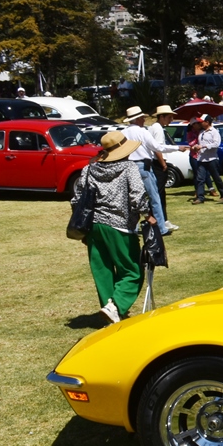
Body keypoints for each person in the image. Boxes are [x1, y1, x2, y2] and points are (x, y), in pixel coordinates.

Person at [74, 131, 153, 324]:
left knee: (103, 270)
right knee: (132, 270)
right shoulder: (128, 168)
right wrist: (148, 215)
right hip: (121, 226)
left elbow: (77, 198)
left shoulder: (89, 169)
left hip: (93, 226)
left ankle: (112, 314)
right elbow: (137, 196)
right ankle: (116, 306)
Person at [122, 106, 177, 234]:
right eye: (143, 118)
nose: (144, 120)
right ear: (139, 119)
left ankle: (133, 228)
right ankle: (161, 228)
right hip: (143, 166)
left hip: (129, 166)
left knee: (132, 199)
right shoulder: (143, 132)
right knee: (154, 197)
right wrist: (177, 148)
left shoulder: (124, 133)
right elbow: (157, 147)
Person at [148, 104, 188, 217]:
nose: (172, 119)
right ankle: (162, 218)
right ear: (162, 117)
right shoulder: (158, 129)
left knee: (158, 192)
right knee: (160, 193)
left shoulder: (155, 127)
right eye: (169, 117)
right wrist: (163, 164)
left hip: (155, 162)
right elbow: (157, 148)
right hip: (157, 163)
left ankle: (160, 217)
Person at [192, 114, 223, 204]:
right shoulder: (201, 132)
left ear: (207, 122)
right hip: (201, 159)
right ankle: (200, 197)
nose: (200, 123)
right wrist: (196, 147)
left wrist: (204, 146)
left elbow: (216, 144)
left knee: (216, 177)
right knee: (200, 178)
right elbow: (200, 144)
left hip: (212, 159)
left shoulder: (214, 132)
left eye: (202, 122)